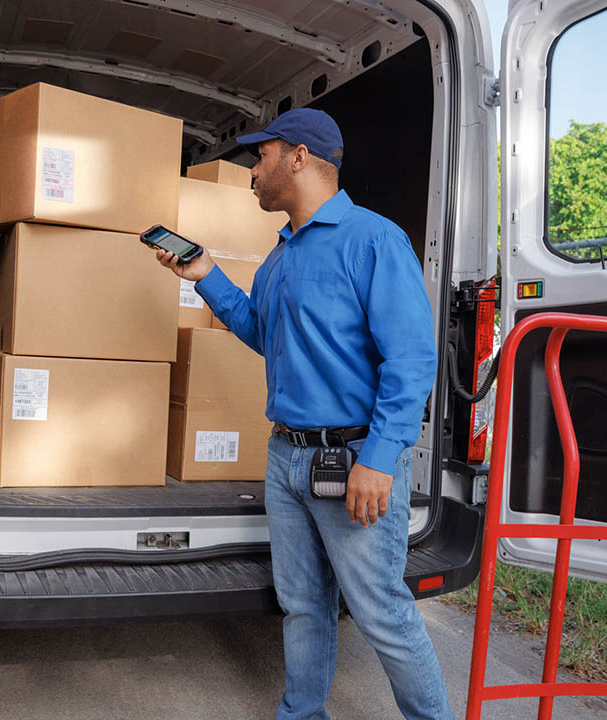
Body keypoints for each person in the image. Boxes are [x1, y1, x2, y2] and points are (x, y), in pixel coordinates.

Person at [152, 108, 452, 720]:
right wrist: (205, 275)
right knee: (304, 605)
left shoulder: (374, 239)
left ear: (297, 156)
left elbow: (412, 359)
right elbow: (263, 332)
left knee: (381, 612)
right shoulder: (281, 254)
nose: (251, 174)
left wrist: (378, 458)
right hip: (287, 458)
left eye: (259, 157)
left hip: (353, 460)